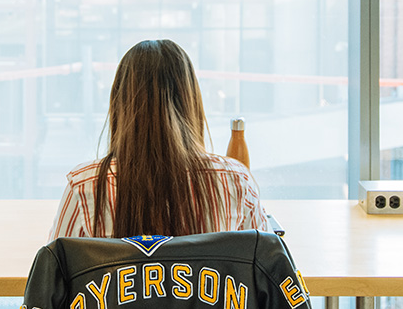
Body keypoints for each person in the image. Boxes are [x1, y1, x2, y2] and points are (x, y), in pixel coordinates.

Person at [49, 39, 269, 239]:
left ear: (120, 103)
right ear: (191, 101)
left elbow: (52, 274)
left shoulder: (84, 186)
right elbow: (264, 269)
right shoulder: (237, 182)